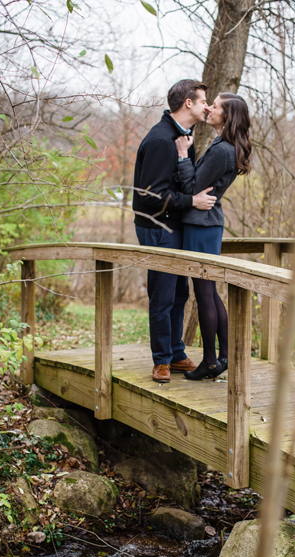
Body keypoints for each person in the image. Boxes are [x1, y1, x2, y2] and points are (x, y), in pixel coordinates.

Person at [132, 79, 218, 383]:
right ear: (188, 103)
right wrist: (192, 201)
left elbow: (181, 182)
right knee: (163, 294)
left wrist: (185, 159)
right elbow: (149, 196)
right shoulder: (160, 140)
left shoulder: (183, 137)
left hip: (176, 224)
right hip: (157, 227)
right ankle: (161, 360)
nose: (207, 106)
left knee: (180, 292)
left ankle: (176, 352)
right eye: (203, 100)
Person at [175, 93, 252, 380]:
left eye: (215, 106)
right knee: (210, 292)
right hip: (208, 224)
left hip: (201, 224)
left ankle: (209, 362)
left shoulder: (222, 151)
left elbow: (192, 185)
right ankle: (224, 356)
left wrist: (183, 156)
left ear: (227, 116)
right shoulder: (225, 145)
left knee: (204, 293)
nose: (210, 108)